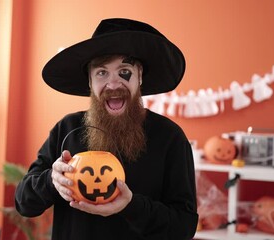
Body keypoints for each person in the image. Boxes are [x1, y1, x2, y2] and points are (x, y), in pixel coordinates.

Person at [15, 18, 199, 240]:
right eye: (102, 72)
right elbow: (24, 204)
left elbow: (183, 227)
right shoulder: (67, 129)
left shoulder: (170, 137)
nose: (113, 84)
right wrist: (51, 181)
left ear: (139, 76)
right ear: (90, 82)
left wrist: (131, 206)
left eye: (124, 71)